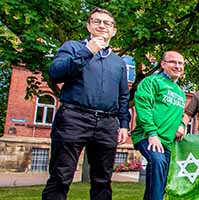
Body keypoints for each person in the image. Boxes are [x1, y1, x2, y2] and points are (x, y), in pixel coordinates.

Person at [43, 7, 130, 200]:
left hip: (106, 124)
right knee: (61, 175)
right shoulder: (73, 47)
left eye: (107, 23)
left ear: (113, 30)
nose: (102, 26)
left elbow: (123, 96)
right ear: (88, 25)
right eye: (97, 21)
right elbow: (56, 73)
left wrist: (124, 124)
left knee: (103, 179)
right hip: (74, 118)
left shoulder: (118, 63)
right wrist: (87, 51)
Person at [131, 51, 187, 200]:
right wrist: (152, 133)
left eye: (180, 63)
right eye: (173, 62)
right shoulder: (151, 82)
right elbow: (144, 107)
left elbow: (179, 116)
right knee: (157, 162)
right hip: (148, 137)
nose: (177, 66)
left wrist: (182, 126)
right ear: (162, 64)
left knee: (161, 179)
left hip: (167, 143)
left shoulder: (181, 93)